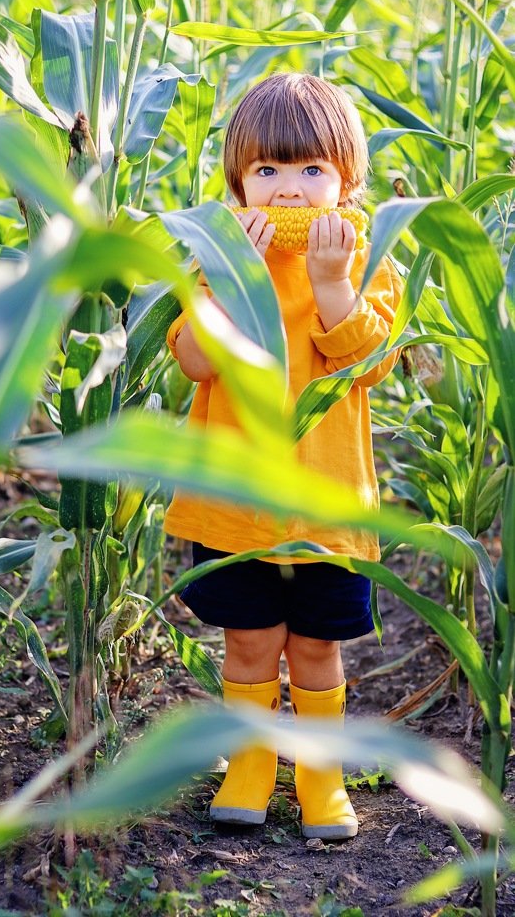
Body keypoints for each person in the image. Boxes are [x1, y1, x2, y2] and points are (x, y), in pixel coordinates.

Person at [163, 73, 403, 838]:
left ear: (347, 180)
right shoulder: (218, 258)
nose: (289, 190)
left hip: (326, 507)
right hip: (236, 504)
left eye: (310, 169)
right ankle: (251, 765)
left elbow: (369, 365)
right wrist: (237, 281)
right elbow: (194, 360)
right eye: (266, 170)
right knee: (250, 642)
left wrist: (330, 280)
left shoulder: (368, 257)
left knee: (316, 649)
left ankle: (319, 777)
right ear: (238, 183)